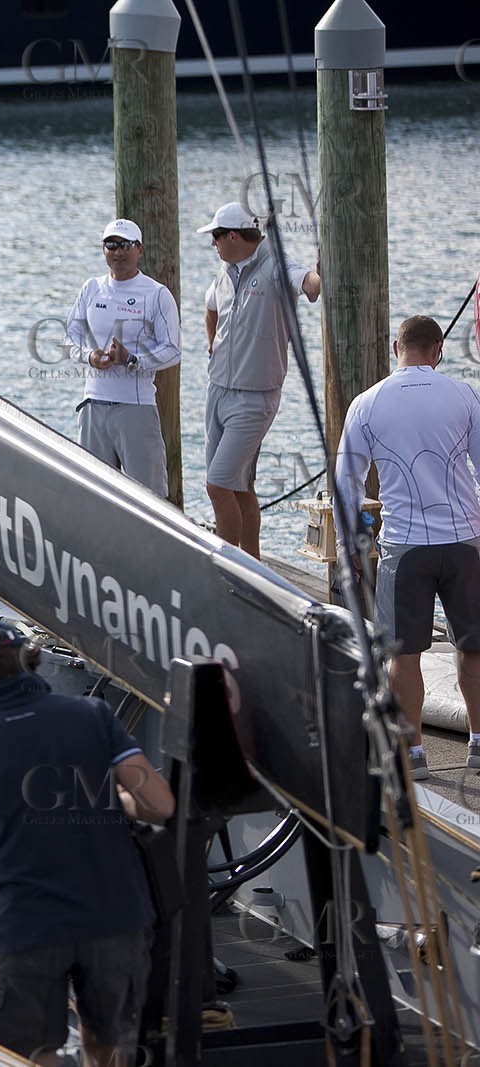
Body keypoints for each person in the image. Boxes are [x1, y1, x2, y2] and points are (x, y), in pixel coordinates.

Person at [0, 618, 174, 1066]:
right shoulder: (94, 716)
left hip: (27, 929)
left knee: (27, 1055)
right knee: (109, 1043)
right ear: (32, 663)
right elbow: (160, 805)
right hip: (115, 918)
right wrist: (114, 799)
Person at [334, 314, 480, 781]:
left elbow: (346, 482)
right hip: (463, 541)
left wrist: (350, 546)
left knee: (404, 654)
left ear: (396, 348)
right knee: (473, 647)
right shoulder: (465, 395)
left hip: (404, 545)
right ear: (437, 349)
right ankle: (479, 744)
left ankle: (413, 754)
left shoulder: (367, 403)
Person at [199, 201, 321, 556]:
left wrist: (320, 273)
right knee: (240, 487)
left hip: (255, 399)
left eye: (216, 237)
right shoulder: (226, 270)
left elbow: (310, 286)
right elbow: (210, 307)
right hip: (218, 391)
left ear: (234, 236)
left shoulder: (276, 266)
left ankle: (227, 566)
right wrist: (212, 346)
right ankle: (252, 563)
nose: (213, 245)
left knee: (217, 485)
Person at [64, 218, 182, 497]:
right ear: (103, 250)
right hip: (94, 406)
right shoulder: (92, 288)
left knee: (150, 498)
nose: (118, 252)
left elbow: (172, 350)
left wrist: (132, 359)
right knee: (93, 495)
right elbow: (70, 337)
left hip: (135, 408)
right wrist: (90, 357)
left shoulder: (156, 294)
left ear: (139, 249)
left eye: (125, 245)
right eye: (111, 245)